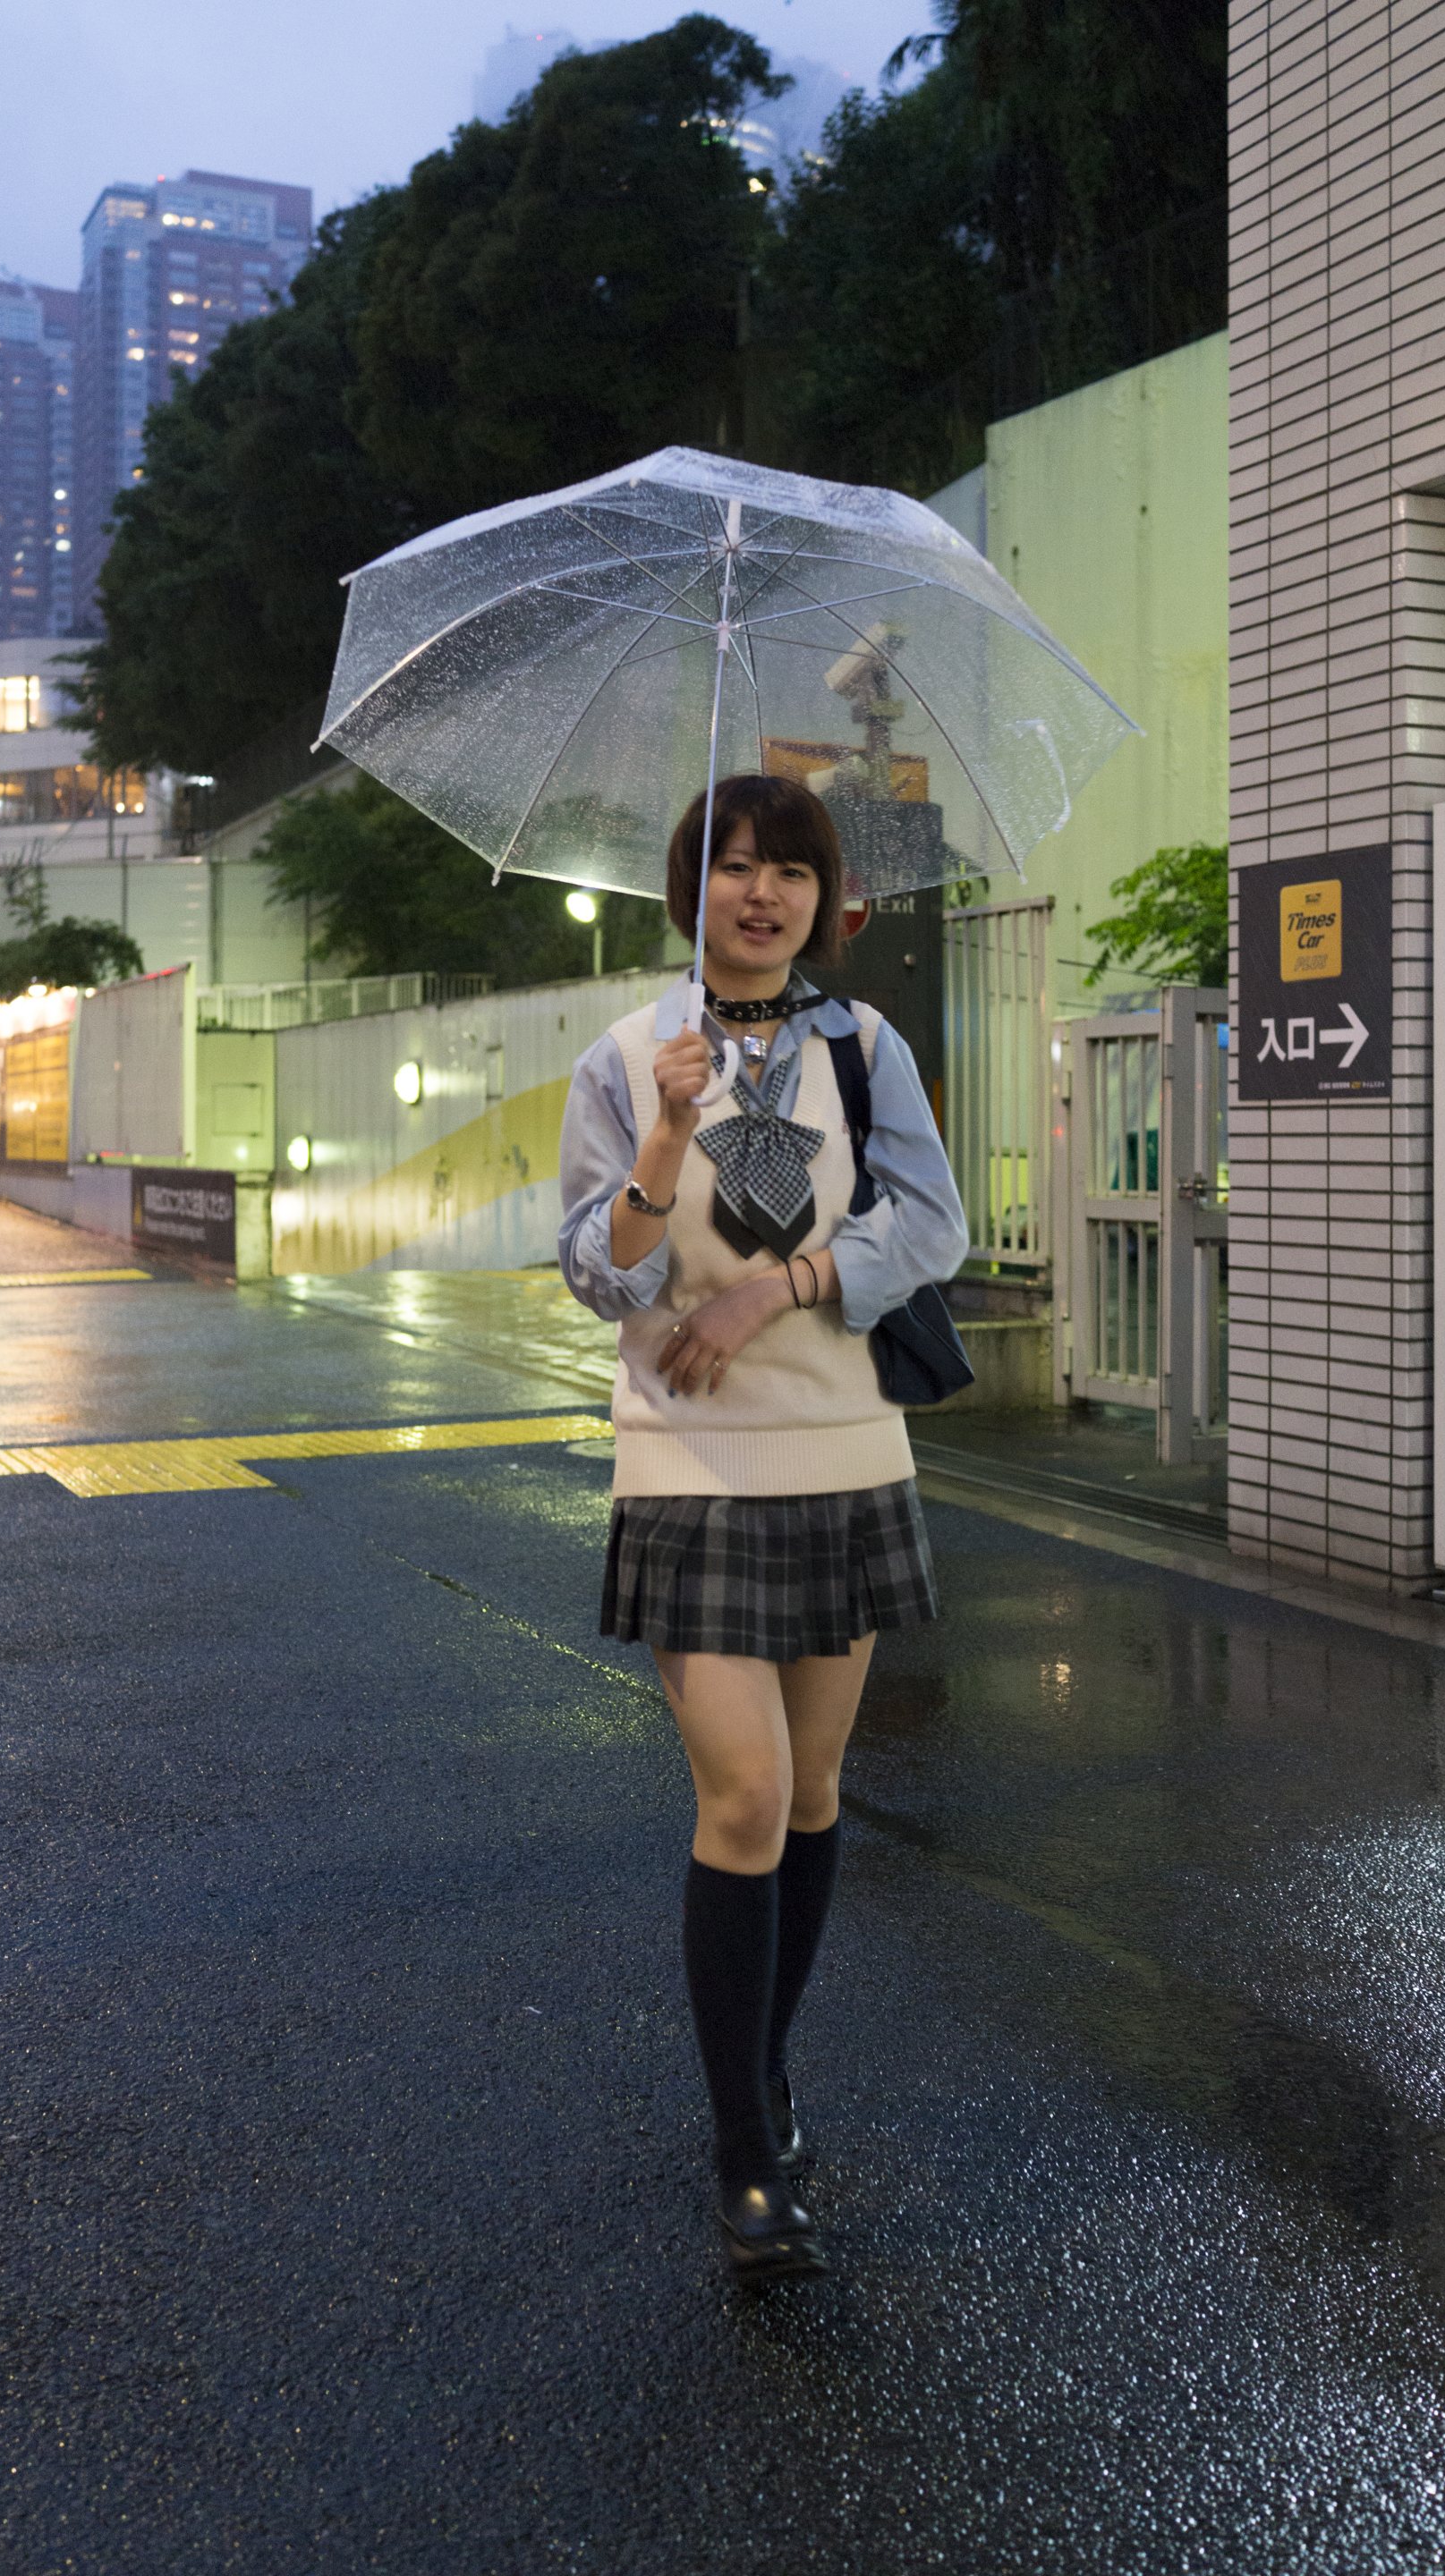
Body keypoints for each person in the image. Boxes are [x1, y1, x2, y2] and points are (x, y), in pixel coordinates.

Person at [557, 772, 968, 2280]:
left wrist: (776, 1287)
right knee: (742, 1793)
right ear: (694, 887)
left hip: (843, 1449)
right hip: (691, 1463)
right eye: (735, 865)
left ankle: (768, 2069)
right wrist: (665, 1143)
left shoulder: (865, 1048)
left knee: (813, 1795)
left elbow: (932, 1225)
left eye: (790, 869)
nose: (763, 892)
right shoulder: (623, 1058)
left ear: (822, 896)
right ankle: (742, 2141)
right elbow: (597, 1281)